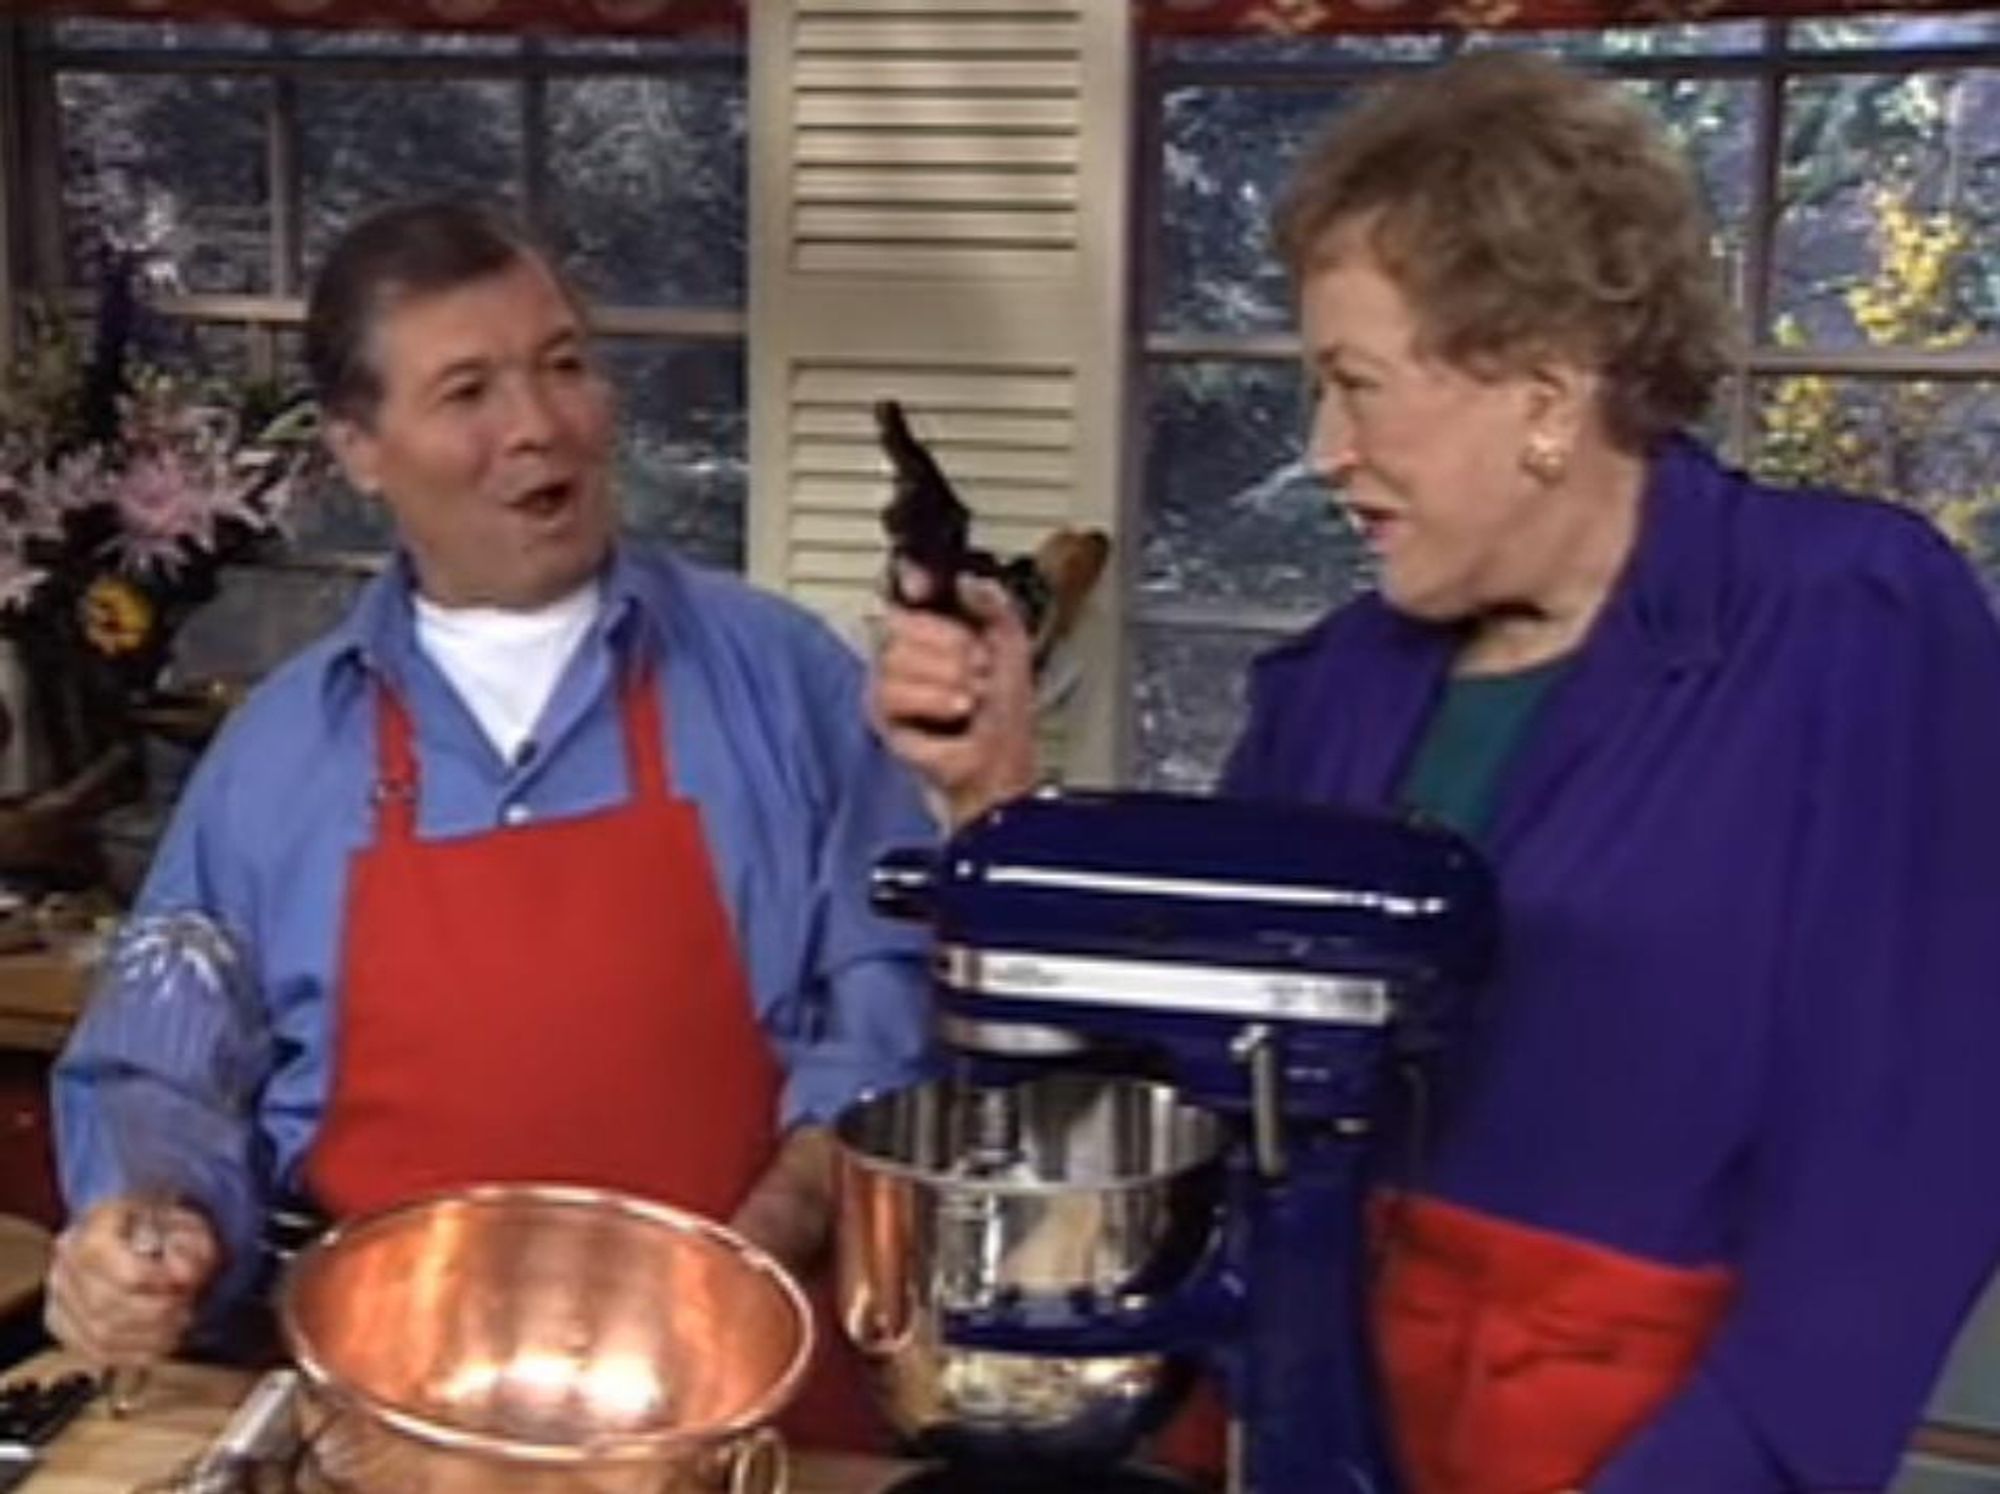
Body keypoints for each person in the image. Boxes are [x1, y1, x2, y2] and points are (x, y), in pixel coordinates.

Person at [872, 51, 2000, 1494]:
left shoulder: (1853, 625)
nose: (1324, 453)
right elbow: (1170, 1082)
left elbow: (1905, 1184)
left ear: (1543, 387)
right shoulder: (1330, 690)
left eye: (1355, 387)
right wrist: (997, 799)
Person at [47, 199, 935, 1446]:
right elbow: (160, 1068)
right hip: (392, 1434)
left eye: (563, 365)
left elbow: (890, 986)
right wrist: (145, 1225)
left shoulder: (782, 681)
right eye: (468, 391)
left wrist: (775, 1224)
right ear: (361, 448)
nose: (539, 425)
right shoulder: (280, 756)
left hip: (756, 1419)